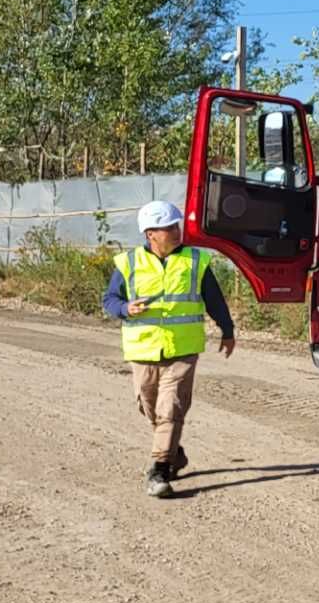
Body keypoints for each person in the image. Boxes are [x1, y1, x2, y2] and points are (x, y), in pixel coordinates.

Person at [101, 200, 236, 498]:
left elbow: (214, 299)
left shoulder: (195, 261)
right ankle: (174, 451)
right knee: (149, 406)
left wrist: (227, 330)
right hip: (143, 350)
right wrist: (125, 307)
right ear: (151, 234)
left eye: (177, 226)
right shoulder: (128, 263)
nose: (177, 232)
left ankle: (159, 470)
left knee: (170, 407)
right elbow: (109, 299)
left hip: (183, 349)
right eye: (169, 228)